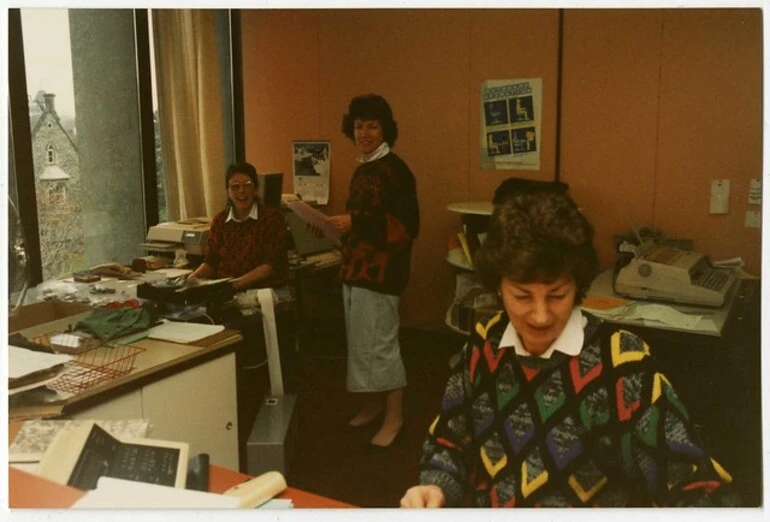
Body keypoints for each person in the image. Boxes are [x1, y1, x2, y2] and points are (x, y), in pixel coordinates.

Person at [400, 189, 736, 507]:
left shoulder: (622, 365)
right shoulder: (485, 343)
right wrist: (435, 486)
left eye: (557, 295)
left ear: (578, 287)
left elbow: (698, 487)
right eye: (521, 296)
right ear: (498, 287)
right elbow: (449, 443)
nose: (541, 316)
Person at [326, 94, 420, 450]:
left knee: (381, 347)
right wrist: (336, 227)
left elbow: (407, 226)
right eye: (359, 125)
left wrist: (354, 221)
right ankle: (372, 404)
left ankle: (394, 417)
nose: (364, 132)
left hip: (382, 275)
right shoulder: (364, 167)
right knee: (361, 346)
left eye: (372, 126)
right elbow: (362, 224)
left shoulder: (396, 170)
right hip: (356, 271)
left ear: (386, 130)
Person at [188, 162, 289, 291]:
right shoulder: (220, 221)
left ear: (256, 189)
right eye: (235, 186)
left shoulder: (271, 218)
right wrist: (194, 277)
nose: (241, 191)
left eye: (247, 185)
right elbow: (212, 261)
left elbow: (270, 265)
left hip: (262, 292)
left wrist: (235, 285)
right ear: (228, 192)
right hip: (226, 291)